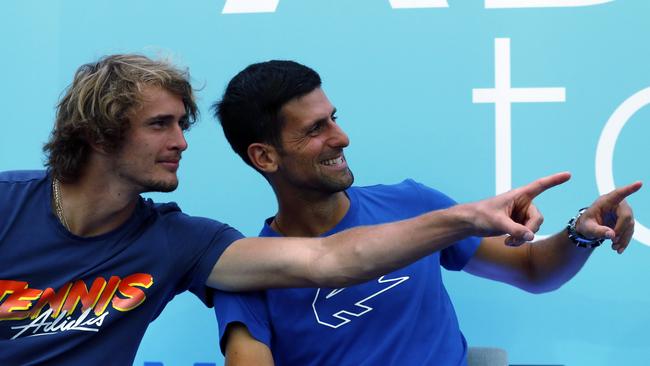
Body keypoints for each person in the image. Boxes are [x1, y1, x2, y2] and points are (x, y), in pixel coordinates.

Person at [212, 60, 641, 366]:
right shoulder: (247, 271)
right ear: (265, 157)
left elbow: (531, 270)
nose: (341, 137)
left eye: (334, 119)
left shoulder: (412, 204)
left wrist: (583, 233)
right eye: (315, 129)